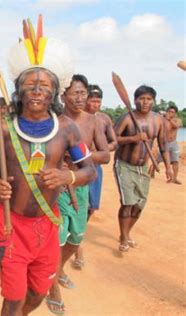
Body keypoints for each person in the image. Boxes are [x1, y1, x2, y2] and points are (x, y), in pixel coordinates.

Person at [0, 21, 96, 315]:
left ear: (55, 92)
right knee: (14, 296)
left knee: (38, 292)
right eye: (29, 84)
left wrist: (66, 175)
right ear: (18, 89)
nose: (37, 90)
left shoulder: (67, 129)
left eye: (45, 85)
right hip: (10, 221)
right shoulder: (2, 129)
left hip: (47, 223)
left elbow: (89, 169)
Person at [47, 75, 110, 313]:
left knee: (76, 238)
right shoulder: (54, 122)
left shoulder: (93, 121)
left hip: (81, 185)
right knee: (59, 237)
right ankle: (53, 287)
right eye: (75, 93)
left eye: (83, 92)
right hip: (57, 188)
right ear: (63, 95)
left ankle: (59, 268)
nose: (80, 97)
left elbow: (105, 155)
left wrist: (78, 154)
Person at [114, 85, 172, 252]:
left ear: (153, 101)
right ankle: (124, 238)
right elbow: (113, 139)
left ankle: (126, 232)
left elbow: (163, 145)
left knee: (139, 205)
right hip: (124, 165)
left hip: (143, 167)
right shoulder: (127, 118)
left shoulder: (158, 120)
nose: (145, 102)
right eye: (141, 98)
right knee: (127, 203)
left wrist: (168, 167)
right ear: (135, 100)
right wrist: (134, 138)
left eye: (148, 99)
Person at [73, 84, 118, 269]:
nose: (95, 103)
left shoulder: (103, 119)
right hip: (76, 168)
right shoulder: (76, 120)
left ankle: (78, 233)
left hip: (96, 168)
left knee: (91, 207)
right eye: (92, 99)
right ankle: (77, 245)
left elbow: (113, 142)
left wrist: (102, 149)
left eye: (98, 101)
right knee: (74, 204)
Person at [161, 105, 182, 184]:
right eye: (169, 112)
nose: (170, 113)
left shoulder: (177, 120)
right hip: (164, 142)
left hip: (173, 143)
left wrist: (169, 119)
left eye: (172, 112)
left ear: (175, 113)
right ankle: (152, 172)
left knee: (175, 161)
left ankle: (174, 178)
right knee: (158, 160)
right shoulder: (163, 120)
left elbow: (176, 126)